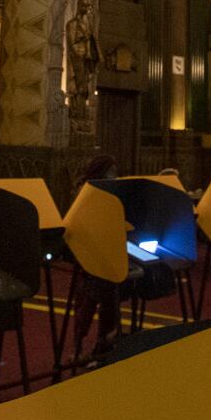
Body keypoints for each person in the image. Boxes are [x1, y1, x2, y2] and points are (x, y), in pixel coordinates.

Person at [68, 154, 123, 361]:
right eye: (111, 172)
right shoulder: (88, 191)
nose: (114, 177)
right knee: (95, 297)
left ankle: (101, 342)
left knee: (99, 295)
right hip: (89, 254)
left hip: (103, 252)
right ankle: (99, 343)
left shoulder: (97, 189)